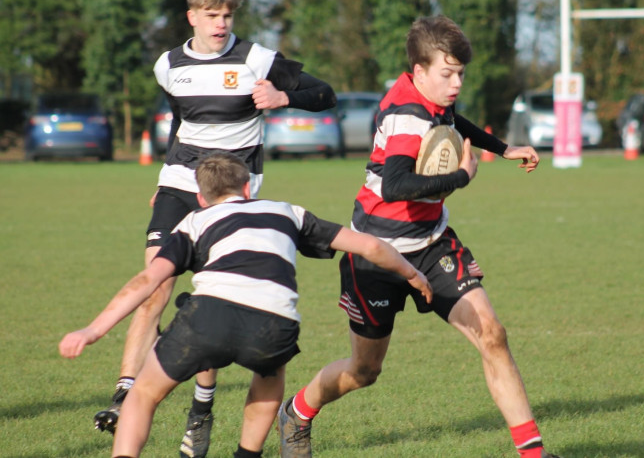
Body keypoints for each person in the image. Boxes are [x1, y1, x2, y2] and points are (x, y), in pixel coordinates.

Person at [277, 15, 560, 458]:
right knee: (365, 370)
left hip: (431, 243)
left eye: (461, 73)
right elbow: (396, 186)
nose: (456, 84)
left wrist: (503, 148)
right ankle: (297, 411)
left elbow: (453, 121)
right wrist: (462, 176)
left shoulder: (432, 96)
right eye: (447, 74)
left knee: (492, 334)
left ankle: (533, 453)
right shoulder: (407, 114)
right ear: (419, 71)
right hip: (376, 253)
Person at [92, 0, 337, 457]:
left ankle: (201, 407)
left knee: (212, 296)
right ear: (192, 17)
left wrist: (284, 96)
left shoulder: (258, 59)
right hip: (180, 185)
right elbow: (182, 119)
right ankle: (124, 393)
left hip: (232, 196)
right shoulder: (168, 65)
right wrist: (162, 177)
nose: (221, 23)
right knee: (155, 285)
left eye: (227, 15)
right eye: (211, 15)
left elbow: (326, 94)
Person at [60, 151, 432, 458]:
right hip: (273, 323)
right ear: (248, 187)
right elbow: (369, 245)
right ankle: (246, 454)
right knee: (270, 373)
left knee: (143, 393)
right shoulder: (287, 211)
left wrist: (93, 329)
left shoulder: (194, 221)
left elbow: (149, 280)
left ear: (202, 197)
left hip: (209, 316)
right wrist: (412, 274)